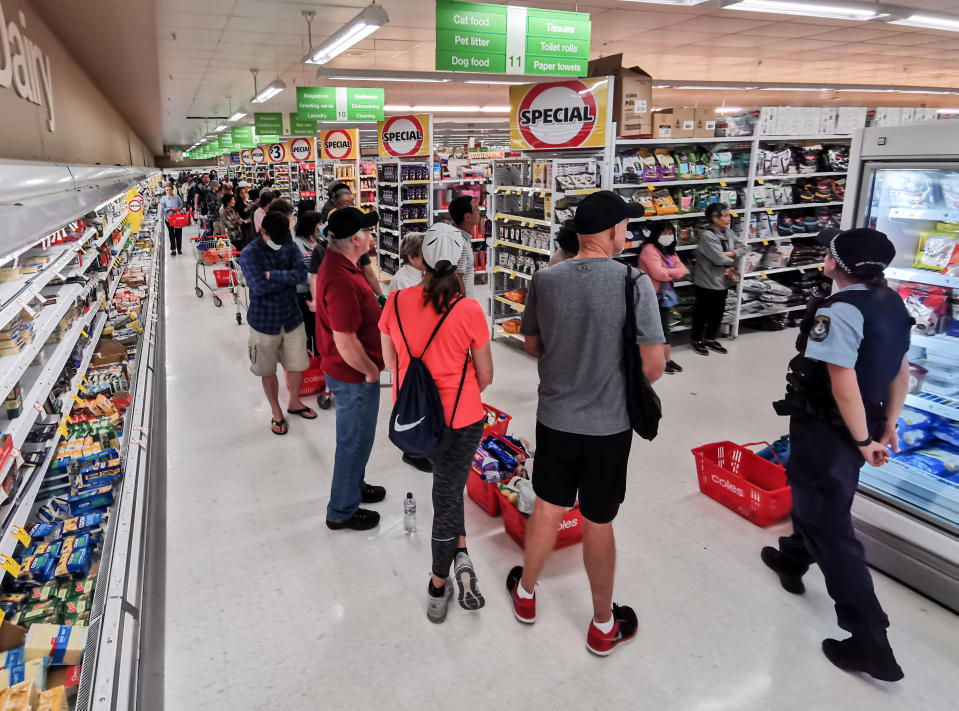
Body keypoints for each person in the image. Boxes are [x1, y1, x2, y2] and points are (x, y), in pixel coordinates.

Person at [507, 190, 666, 657]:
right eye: (625, 227)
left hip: (555, 419)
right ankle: (602, 625)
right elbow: (654, 367)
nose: (627, 234)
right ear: (614, 231)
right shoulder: (633, 283)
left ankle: (526, 595)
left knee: (548, 508)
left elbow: (532, 345)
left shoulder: (545, 278)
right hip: (608, 427)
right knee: (598, 519)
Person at [762, 227, 911, 682]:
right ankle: (792, 556)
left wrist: (864, 439)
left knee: (832, 523)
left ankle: (870, 639)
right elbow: (901, 369)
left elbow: (841, 379)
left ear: (836, 262)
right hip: (864, 421)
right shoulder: (893, 302)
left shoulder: (840, 310)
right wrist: (888, 424)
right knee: (819, 498)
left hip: (832, 429)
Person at [379, 222, 494, 623]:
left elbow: (390, 363)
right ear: (460, 261)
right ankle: (438, 584)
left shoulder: (395, 302)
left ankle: (459, 551)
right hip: (461, 421)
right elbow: (486, 376)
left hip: (415, 423)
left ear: (420, 260)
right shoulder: (468, 309)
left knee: (446, 487)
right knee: (447, 497)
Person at [314, 207, 387, 532]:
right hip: (352, 375)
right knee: (353, 440)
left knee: (359, 438)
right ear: (356, 239)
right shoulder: (341, 279)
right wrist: (371, 371)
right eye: (368, 232)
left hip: (349, 372)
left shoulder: (342, 265)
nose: (371, 236)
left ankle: (354, 486)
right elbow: (345, 339)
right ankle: (341, 510)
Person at [237, 211, 316, 436]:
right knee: (267, 369)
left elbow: (302, 275)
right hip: (264, 321)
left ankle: (295, 402)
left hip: (292, 317)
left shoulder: (289, 245)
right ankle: (276, 412)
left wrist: (273, 275)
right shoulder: (249, 254)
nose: (281, 245)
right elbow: (258, 287)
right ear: (263, 231)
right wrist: (284, 277)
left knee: (297, 364)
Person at [691, 202, 745, 356]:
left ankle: (710, 339)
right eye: (726, 215)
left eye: (729, 215)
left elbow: (746, 248)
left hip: (722, 281)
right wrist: (733, 254)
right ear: (715, 218)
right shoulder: (708, 235)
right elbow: (719, 259)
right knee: (701, 313)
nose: (729, 218)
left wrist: (732, 253)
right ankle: (696, 340)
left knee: (717, 312)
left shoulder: (729, 233)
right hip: (707, 282)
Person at [639, 223, 688, 375]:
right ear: (656, 234)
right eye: (664, 233)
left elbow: (683, 270)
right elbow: (658, 274)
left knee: (665, 329)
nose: (667, 236)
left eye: (670, 233)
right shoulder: (648, 250)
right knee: (654, 330)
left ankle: (667, 359)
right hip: (651, 297)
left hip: (665, 295)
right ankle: (656, 361)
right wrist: (671, 272)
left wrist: (667, 271)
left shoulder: (669, 250)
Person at [292, 209, 323, 353]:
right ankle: (309, 362)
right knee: (308, 329)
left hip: (320, 291)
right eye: (319, 223)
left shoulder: (320, 241)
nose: (321, 226)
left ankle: (318, 356)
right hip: (304, 292)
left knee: (319, 329)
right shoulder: (297, 244)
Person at [448, 195, 479, 299]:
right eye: (476, 209)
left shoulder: (463, 238)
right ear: (468, 217)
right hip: (463, 303)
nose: (479, 211)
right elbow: (458, 277)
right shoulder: (459, 241)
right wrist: (464, 306)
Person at [159, 182, 185, 256]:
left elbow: (181, 205)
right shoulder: (164, 198)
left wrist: (177, 209)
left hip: (177, 219)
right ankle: (173, 249)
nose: (168, 191)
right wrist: (169, 209)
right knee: (171, 234)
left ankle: (179, 249)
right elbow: (162, 208)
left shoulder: (176, 197)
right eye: (167, 190)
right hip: (169, 219)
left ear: (172, 189)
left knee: (178, 233)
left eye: (169, 190)